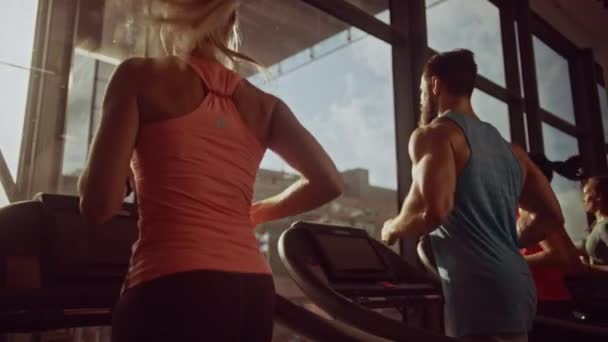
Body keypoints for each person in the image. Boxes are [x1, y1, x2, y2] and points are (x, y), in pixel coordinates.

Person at [78, 1, 343, 341]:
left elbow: (98, 206)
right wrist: (257, 213)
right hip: (252, 289)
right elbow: (329, 182)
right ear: (231, 22)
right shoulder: (266, 106)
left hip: (174, 286)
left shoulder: (137, 76)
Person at [381, 49, 572, 341]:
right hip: (519, 286)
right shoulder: (512, 150)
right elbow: (552, 217)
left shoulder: (435, 134)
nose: (423, 98)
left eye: (423, 91)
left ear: (435, 85)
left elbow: (433, 212)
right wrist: (502, 238)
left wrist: (390, 228)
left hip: (479, 289)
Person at [519, 153, 582, 317]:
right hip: (546, 301)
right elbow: (573, 261)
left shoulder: (533, 210)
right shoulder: (535, 209)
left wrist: (508, 261)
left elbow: (560, 257)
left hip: (545, 303)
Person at [581, 176, 608, 271]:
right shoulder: (597, 223)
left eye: (586, 194)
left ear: (599, 196)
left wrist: (590, 267)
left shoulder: (604, 226)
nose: (583, 199)